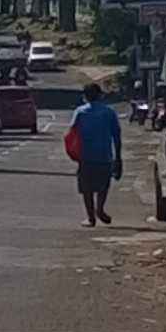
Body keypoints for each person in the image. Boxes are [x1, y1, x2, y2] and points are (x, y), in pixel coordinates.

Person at [68, 81, 125, 227]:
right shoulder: (109, 112)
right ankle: (100, 209)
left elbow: (71, 134)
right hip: (104, 156)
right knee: (103, 186)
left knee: (86, 189)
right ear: (100, 96)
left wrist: (73, 152)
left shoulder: (80, 112)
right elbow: (117, 136)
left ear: (85, 97)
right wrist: (118, 157)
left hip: (85, 156)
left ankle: (90, 217)